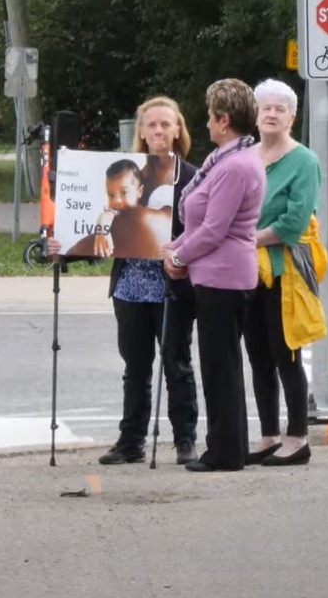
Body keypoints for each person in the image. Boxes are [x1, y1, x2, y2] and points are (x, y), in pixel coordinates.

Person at [52, 97, 202, 466]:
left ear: (179, 129)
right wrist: (66, 246)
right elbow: (91, 227)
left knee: (176, 363)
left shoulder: (193, 176)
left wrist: (182, 256)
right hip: (130, 287)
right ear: (141, 133)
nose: (159, 131)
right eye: (151, 125)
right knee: (135, 367)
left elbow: (203, 229)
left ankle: (186, 439)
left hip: (173, 287)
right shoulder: (121, 174)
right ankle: (131, 440)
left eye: (166, 124)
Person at [163, 80, 267, 473]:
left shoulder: (236, 165)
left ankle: (224, 452)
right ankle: (230, 446)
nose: (206, 123)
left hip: (224, 276)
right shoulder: (227, 159)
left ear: (224, 120)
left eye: (210, 116)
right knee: (222, 365)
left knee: (219, 367)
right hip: (218, 273)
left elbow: (214, 228)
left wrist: (178, 253)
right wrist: (178, 247)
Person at [244, 79, 322, 467]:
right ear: (255, 115)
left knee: (286, 354)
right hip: (247, 273)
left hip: (285, 271)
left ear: (293, 116)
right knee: (257, 356)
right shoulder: (246, 155)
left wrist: (246, 238)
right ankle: (269, 434)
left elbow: (293, 223)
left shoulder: (304, 160)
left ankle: (298, 437)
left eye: (280, 108)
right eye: (265, 107)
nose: (272, 113)